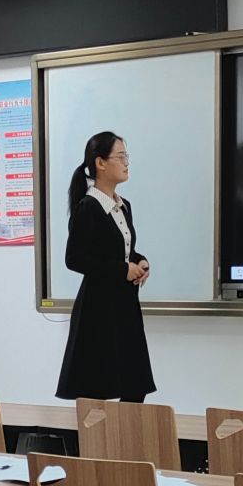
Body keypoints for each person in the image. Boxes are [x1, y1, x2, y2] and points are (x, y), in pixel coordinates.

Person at [55, 130, 154, 402]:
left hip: (125, 306)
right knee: (96, 390)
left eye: (126, 157)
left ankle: (126, 432)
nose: (126, 163)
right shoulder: (88, 207)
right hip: (98, 310)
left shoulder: (124, 206)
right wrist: (122, 270)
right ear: (100, 163)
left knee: (135, 386)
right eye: (120, 157)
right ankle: (101, 433)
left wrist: (139, 261)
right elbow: (75, 258)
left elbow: (121, 250)